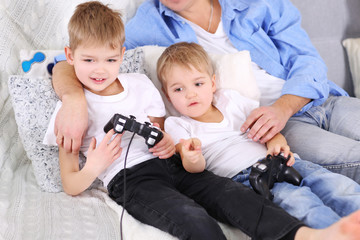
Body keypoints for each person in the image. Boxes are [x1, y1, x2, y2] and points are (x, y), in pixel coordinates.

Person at [42, 2, 351, 240]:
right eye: (89, 61)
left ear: (122, 55)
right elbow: (71, 181)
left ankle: (303, 234)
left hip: (179, 162)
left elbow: (162, 133)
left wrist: (165, 144)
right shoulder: (69, 112)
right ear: (72, 56)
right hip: (133, 178)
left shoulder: (138, 83)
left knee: (235, 198)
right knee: (193, 218)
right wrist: (92, 160)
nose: (100, 69)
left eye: (110, 60)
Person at [157, 41, 360, 229]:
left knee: (336, 185)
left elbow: (268, 129)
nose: (190, 94)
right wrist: (192, 157)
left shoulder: (230, 100)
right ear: (167, 95)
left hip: (282, 161)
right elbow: (194, 168)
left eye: (198, 84)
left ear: (212, 84)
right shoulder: (177, 124)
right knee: (300, 204)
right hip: (250, 177)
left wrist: (276, 142)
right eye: (178, 89)